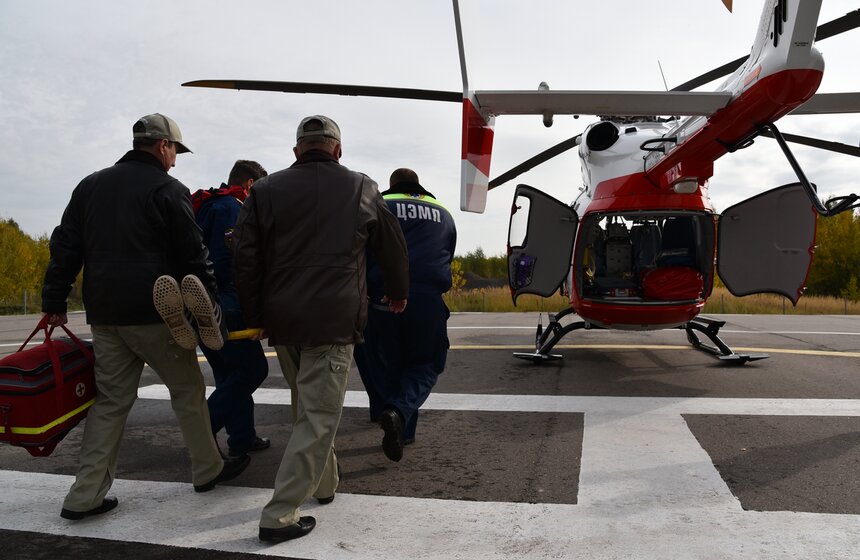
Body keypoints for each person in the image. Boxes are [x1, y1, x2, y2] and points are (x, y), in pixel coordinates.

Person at [41, 113, 250, 521]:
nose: (176, 160)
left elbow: (65, 244)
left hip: (104, 313)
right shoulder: (167, 189)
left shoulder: (90, 185)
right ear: (162, 146)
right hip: (159, 311)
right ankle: (208, 469)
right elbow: (194, 252)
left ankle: (84, 495)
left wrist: (54, 300)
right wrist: (210, 303)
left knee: (111, 403)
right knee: (188, 391)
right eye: (176, 151)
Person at [231, 115, 409, 543]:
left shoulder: (266, 189)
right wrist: (399, 292)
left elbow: (246, 256)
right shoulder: (362, 186)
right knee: (318, 416)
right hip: (334, 318)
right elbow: (392, 245)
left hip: (283, 319)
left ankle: (325, 483)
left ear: (297, 151)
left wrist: (254, 316)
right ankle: (279, 514)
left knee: (307, 407)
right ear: (338, 149)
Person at [354, 168, 457, 462]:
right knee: (425, 364)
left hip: (382, 298)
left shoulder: (378, 205)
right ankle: (399, 415)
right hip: (426, 300)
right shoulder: (443, 212)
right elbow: (446, 254)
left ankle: (395, 418)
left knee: (387, 364)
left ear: (392, 184)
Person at [191, 160, 271, 457]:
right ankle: (202, 431)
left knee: (229, 375)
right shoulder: (232, 209)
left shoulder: (208, 206)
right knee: (253, 369)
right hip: (226, 309)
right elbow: (232, 268)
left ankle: (242, 437)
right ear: (251, 185)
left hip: (206, 308)